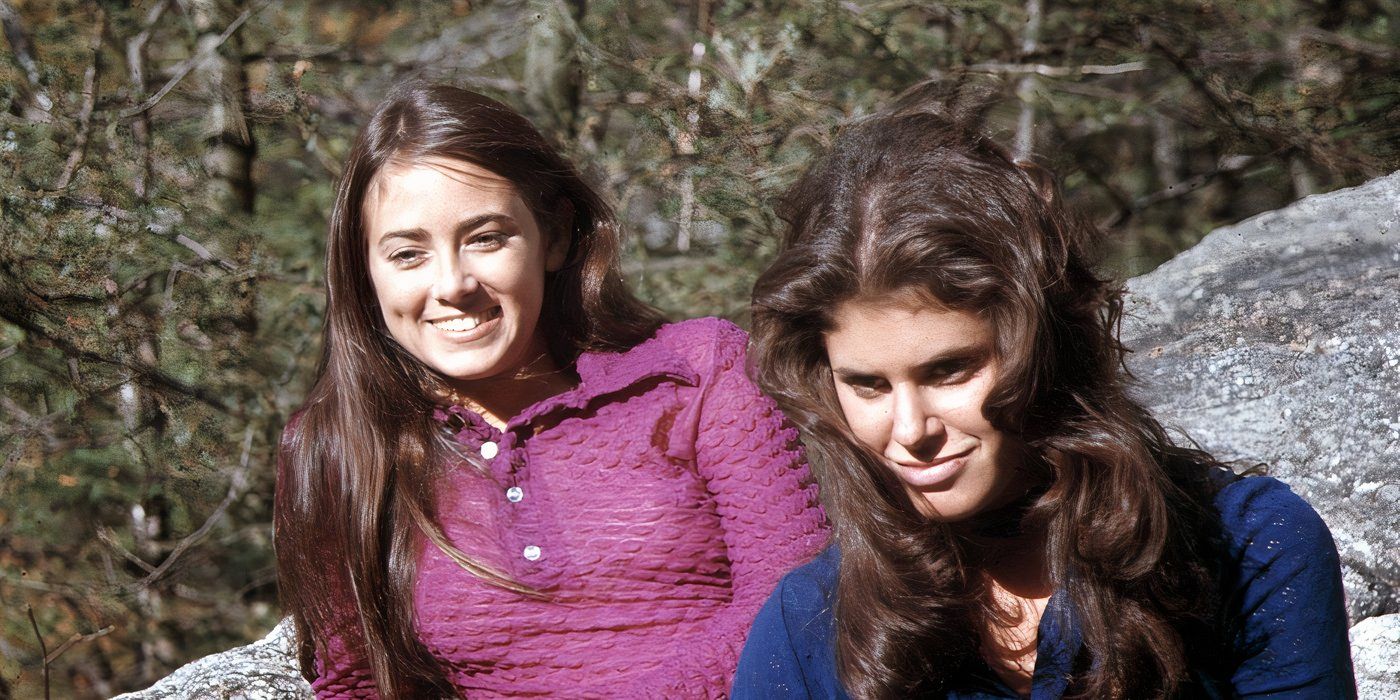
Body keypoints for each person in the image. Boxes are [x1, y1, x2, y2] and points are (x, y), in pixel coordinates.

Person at [734, 100, 1355, 698]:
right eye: (867, 384)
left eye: (950, 370)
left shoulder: (1250, 546)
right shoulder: (808, 624)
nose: (910, 429)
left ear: (1046, 349)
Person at [273, 82, 828, 699]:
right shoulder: (335, 446)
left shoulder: (700, 369)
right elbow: (356, 684)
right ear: (365, 269)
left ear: (554, 236)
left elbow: (794, 595)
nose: (453, 284)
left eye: (485, 238)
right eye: (408, 254)